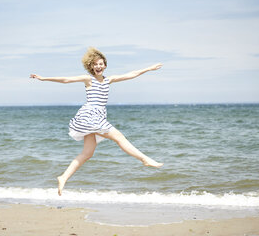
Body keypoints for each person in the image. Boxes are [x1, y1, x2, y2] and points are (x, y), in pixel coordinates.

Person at [30, 47, 163, 196]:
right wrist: (43, 78)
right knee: (119, 137)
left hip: (98, 116)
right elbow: (66, 80)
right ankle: (144, 159)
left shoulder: (109, 80)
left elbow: (131, 74)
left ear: (105, 65)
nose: (98, 66)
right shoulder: (89, 79)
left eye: (101, 64)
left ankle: (63, 177)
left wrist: (149, 69)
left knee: (87, 153)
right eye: (95, 64)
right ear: (91, 66)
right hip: (89, 115)